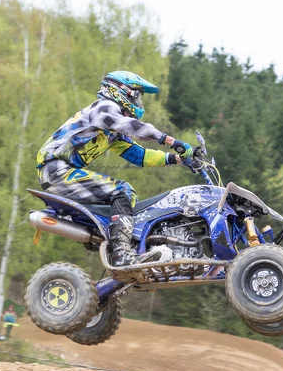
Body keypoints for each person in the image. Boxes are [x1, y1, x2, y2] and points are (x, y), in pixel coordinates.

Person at [36, 70, 194, 266]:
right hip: (55, 169)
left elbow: (139, 156)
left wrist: (179, 159)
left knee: (127, 193)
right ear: (122, 91)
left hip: (63, 172)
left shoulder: (113, 132)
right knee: (121, 191)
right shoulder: (103, 108)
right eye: (137, 96)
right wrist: (167, 139)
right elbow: (128, 125)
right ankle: (121, 253)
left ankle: (122, 244)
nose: (139, 102)